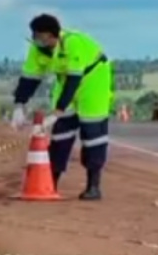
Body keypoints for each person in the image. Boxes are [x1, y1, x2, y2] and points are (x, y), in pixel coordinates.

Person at [9, 13, 114, 200]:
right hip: (65, 80)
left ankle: (93, 186)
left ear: (51, 35)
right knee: (60, 134)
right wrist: (19, 105)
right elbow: (29, 79)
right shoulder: (37, 50)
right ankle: (50, 183)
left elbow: (75, 80)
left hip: (93, 79)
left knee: (92, 133)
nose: (36, 41)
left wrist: (57, 111)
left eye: (40, 36)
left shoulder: (72, 43)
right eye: (34, 36)